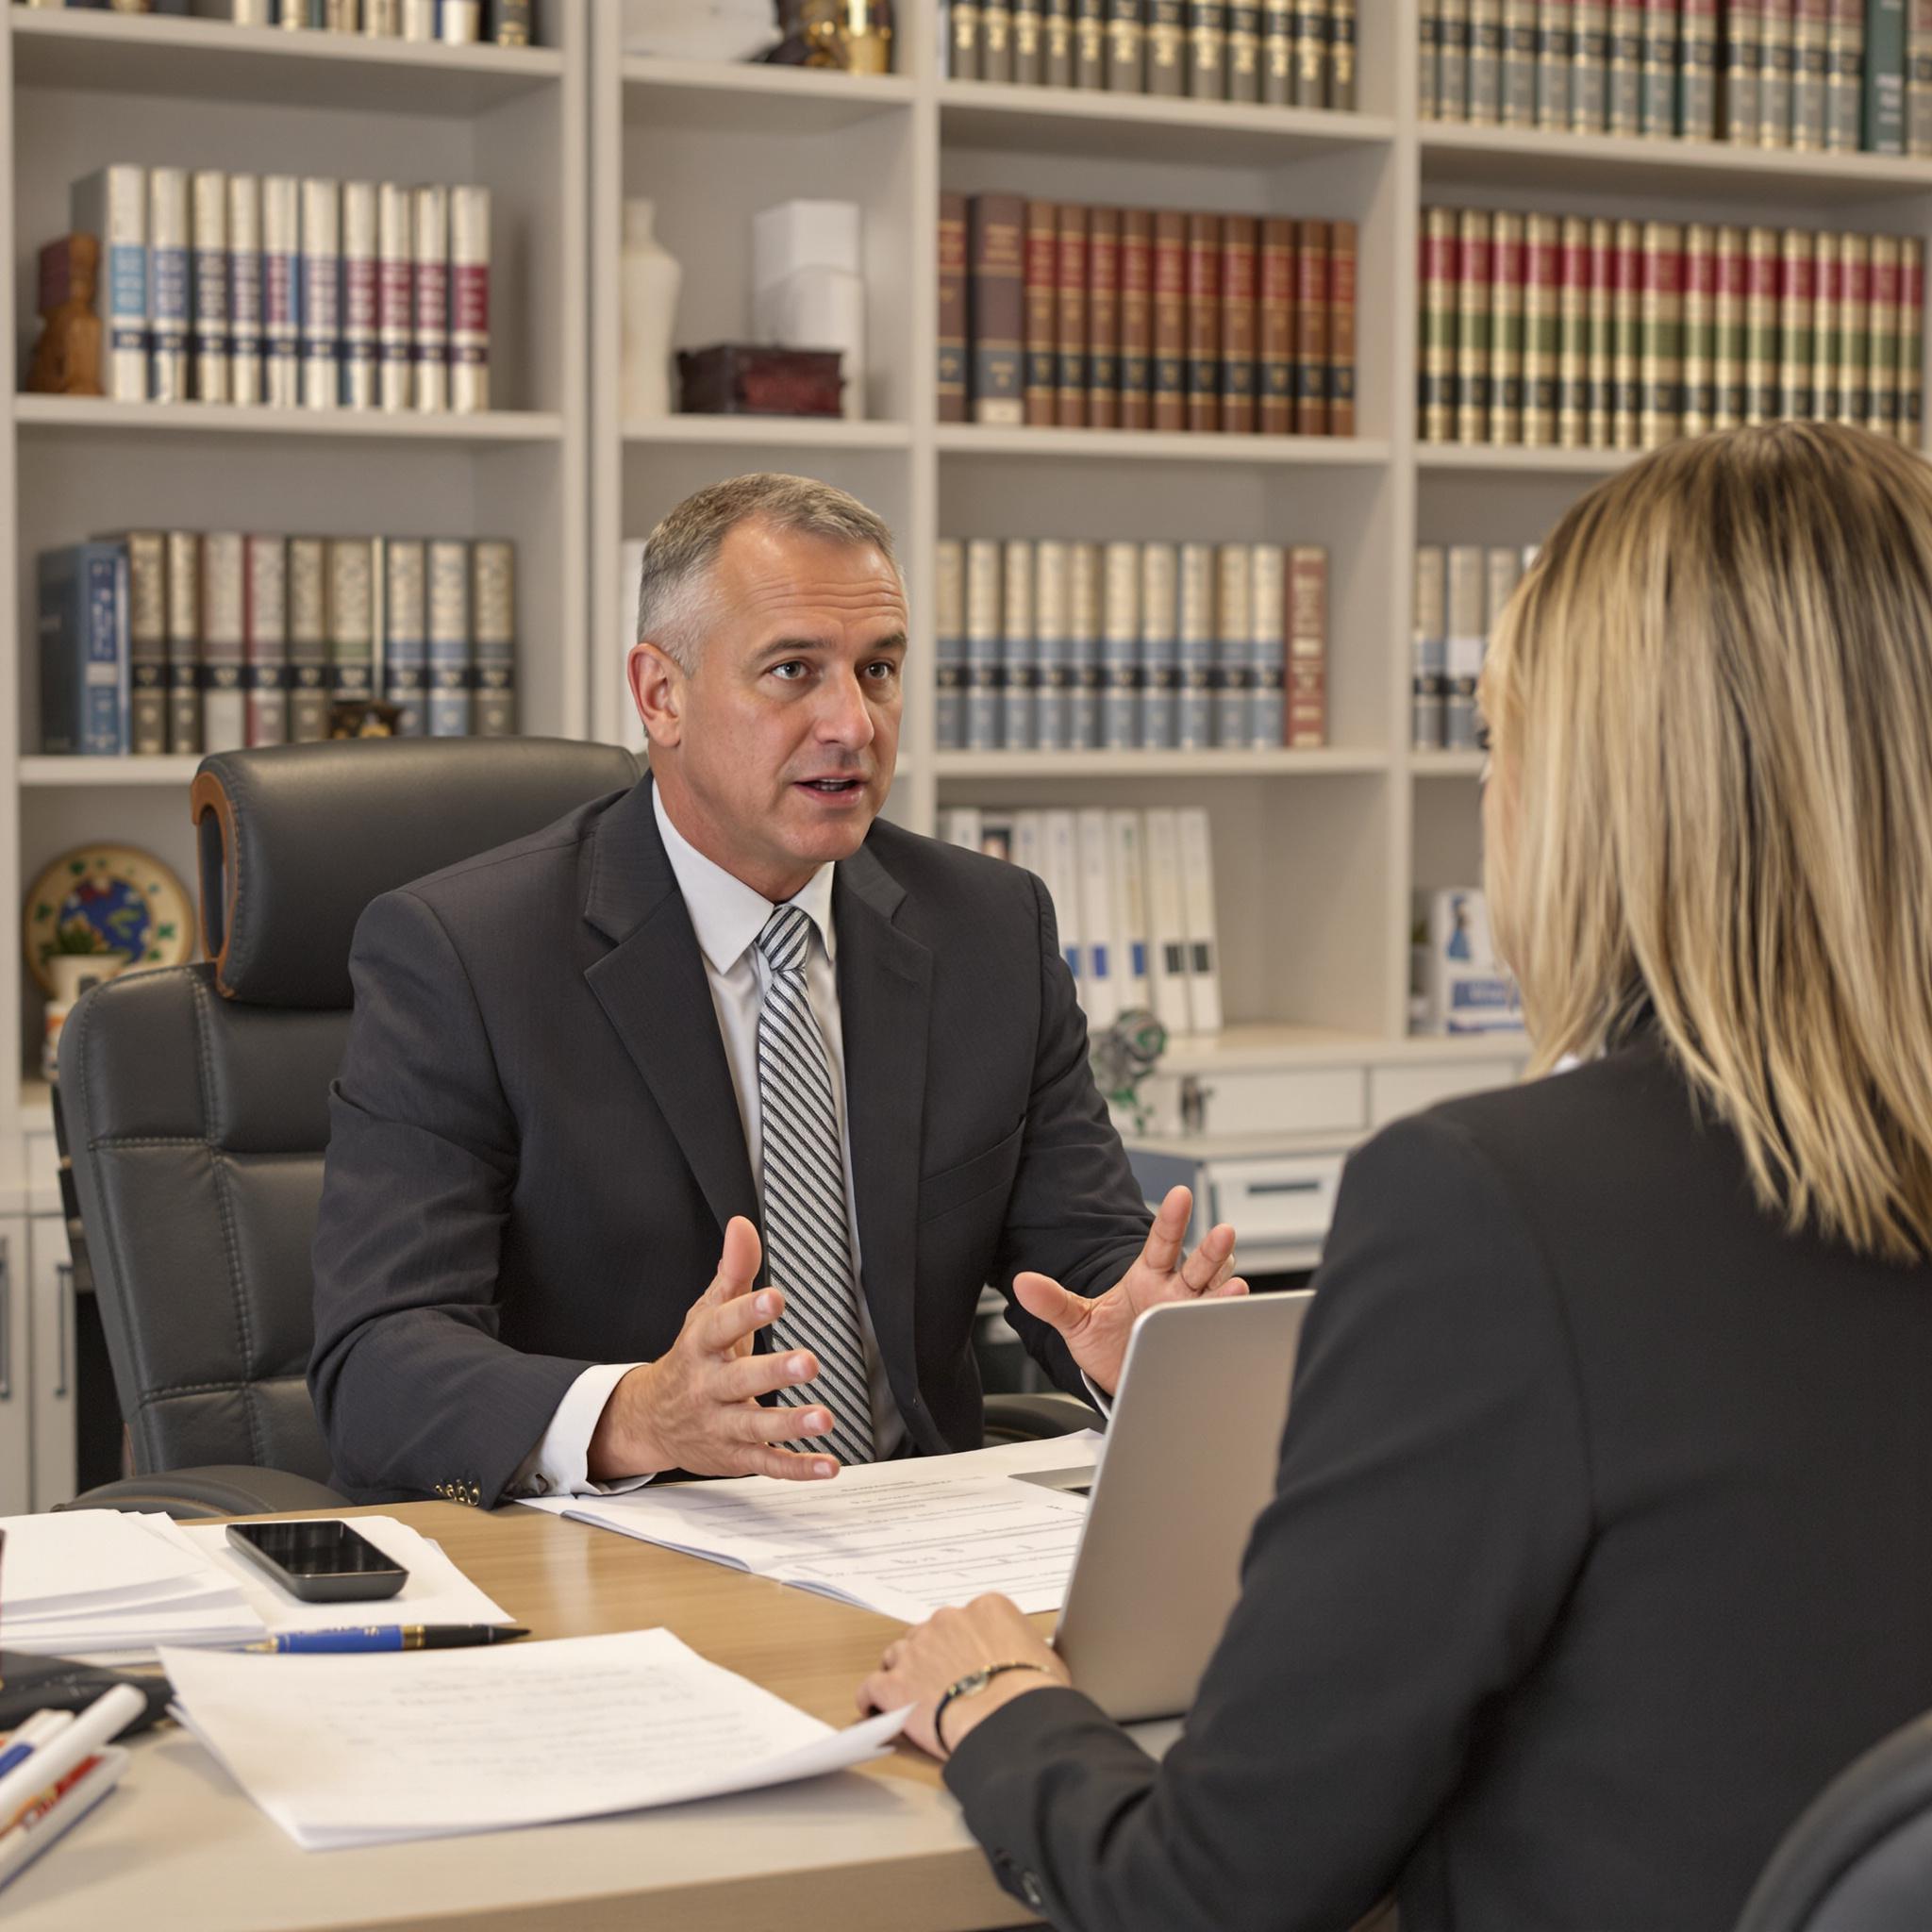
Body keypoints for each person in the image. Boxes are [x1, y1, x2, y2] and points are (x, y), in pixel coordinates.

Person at [860, 423, 1932, 1932]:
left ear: (1600, 796)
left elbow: (1215, 1891)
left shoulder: (1509, 1206)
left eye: (1501, 742)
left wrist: (998, 1699)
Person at [308, 473, 1244, 1507]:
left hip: (921, 1542)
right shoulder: (465, 953)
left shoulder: (987, 927)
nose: (850, 722)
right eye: (793, 670)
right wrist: (637, 1414)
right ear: (660, 694)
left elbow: (1083, 1261)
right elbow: (378, 1363)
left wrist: (1136, 1334)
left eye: (878, 669)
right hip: (623, 1548)